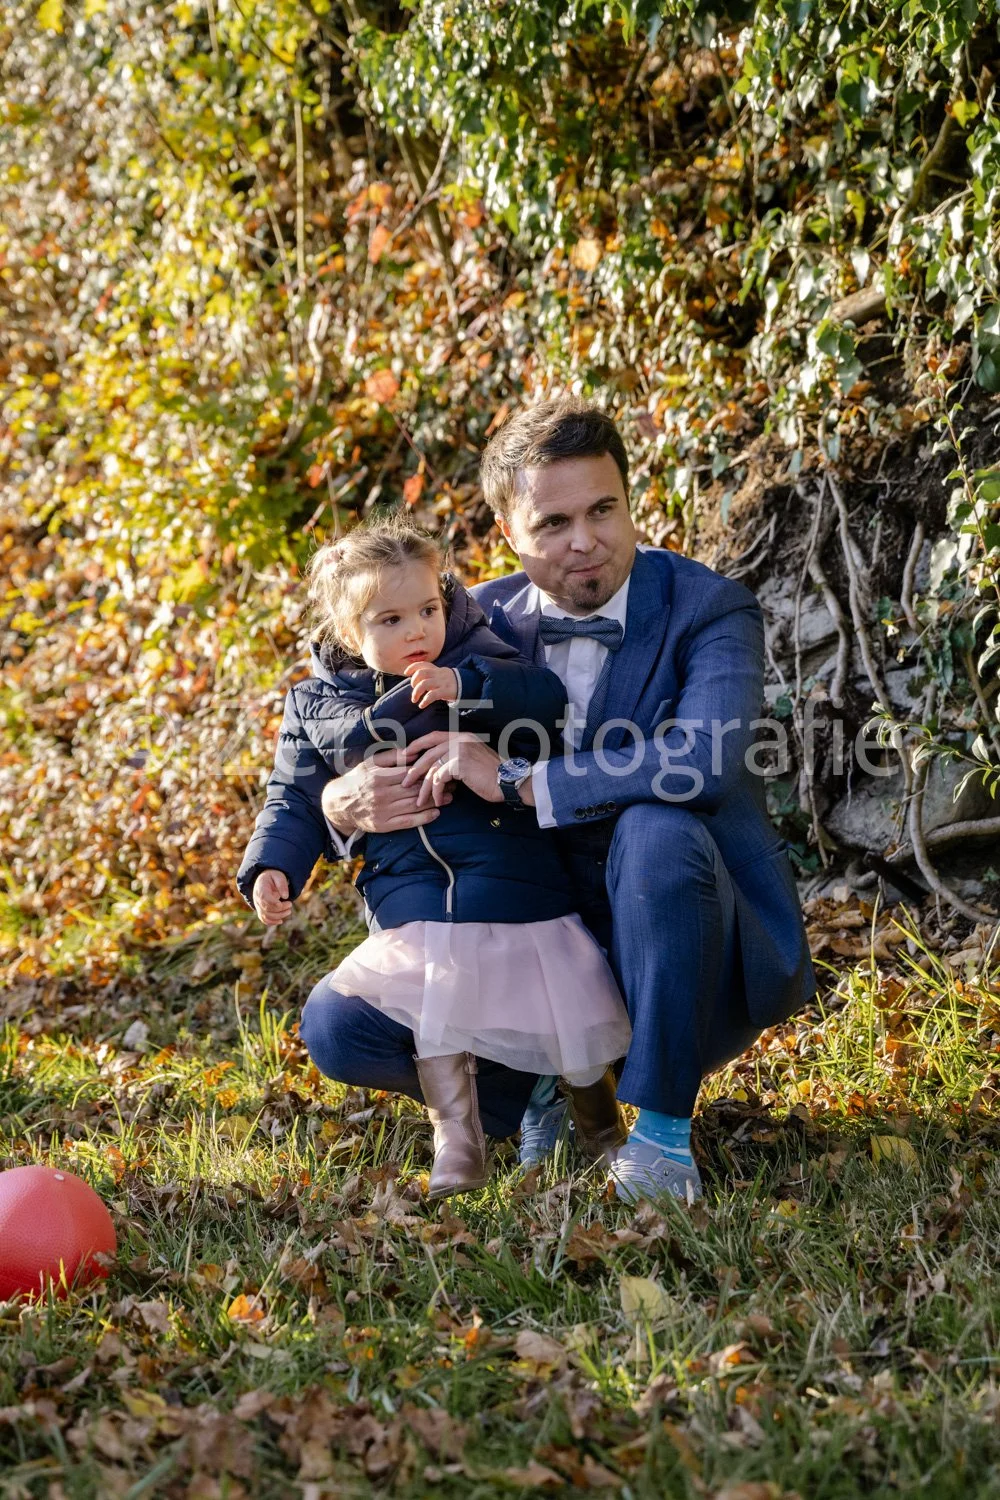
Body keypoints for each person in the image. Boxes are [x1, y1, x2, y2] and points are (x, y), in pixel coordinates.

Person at [317, 400, 816, 1204]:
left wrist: (519, 780)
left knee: (656, 830)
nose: (585, 540)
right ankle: (538, 1084)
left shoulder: (708, 607)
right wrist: (341, 803)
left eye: (603, 510)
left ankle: (661, 1136)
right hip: (535, 939)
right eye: (553, 522)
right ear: (507, 530)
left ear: (629, 502)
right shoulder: (458, 623)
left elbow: (707, 761)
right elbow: (340, 727)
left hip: (684, 938)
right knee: (338, 1027)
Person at [236, 517, 632, 1199]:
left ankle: (603, 1131)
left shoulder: (478, 658)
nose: (417, 630)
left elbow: (544, 704)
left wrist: (465, 687)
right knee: (434, 1014)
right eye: (390, 620)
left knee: (565, 1007)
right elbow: (292, 798)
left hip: (516, 884)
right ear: (348, 631)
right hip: (412, 895)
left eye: (427, 609)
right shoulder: (315, 707)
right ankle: (460, 1139)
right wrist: (272, 865)